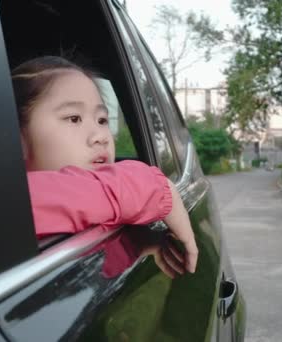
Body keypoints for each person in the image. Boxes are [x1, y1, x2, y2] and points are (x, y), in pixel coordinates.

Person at [11, 56, 198, 274]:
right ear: (17, 139)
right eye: (74, 118)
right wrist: (156, 187)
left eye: (101, 120)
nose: (100, 136)